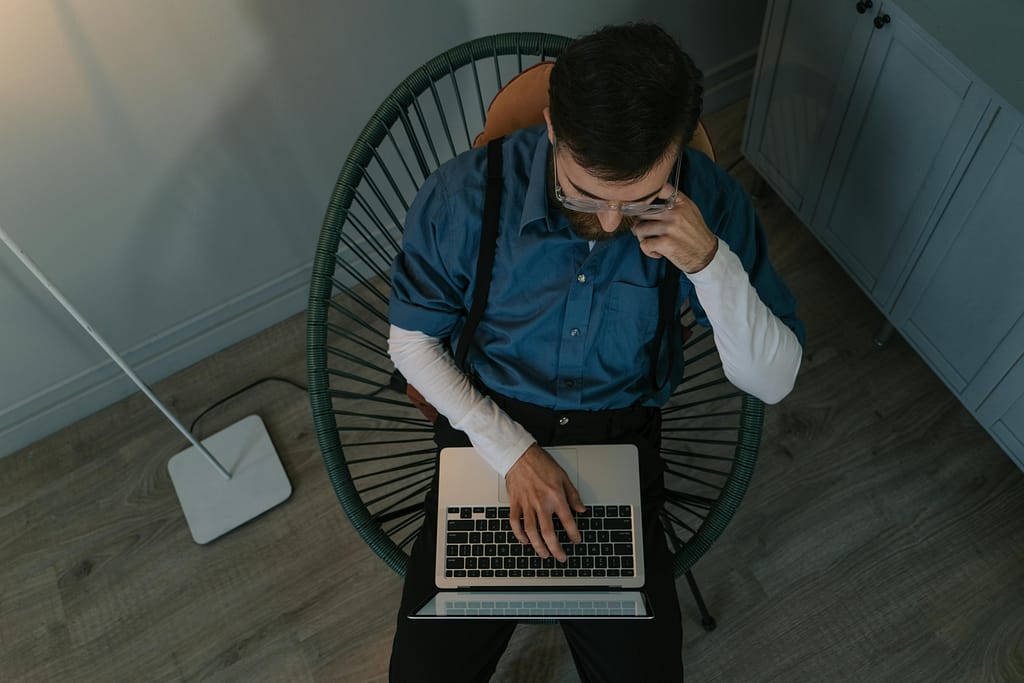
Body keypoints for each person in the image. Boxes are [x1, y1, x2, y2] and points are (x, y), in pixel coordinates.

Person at [386, 22, 805, 682]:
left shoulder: (711, 204)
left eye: (639, 198)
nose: (612, 223)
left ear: (678, 150)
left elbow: (774, 380)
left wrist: (709, 263)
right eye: (587, 192)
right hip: (489, 430)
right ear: (554, 129)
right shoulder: (464, 198)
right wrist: (513, 452)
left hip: (619, 440)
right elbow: (410, 343)